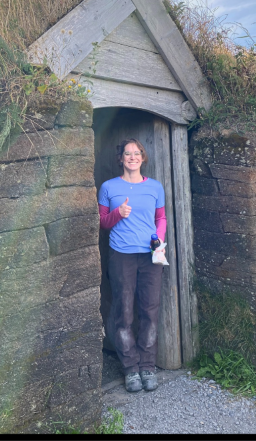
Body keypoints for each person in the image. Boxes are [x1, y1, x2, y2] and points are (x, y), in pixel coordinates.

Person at [98, 139, 167, 392]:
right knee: (123, 313)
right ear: (121, 158)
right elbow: (103, 222)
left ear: (143, 157)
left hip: (150, 256)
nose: (132, 157)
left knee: (149, 311)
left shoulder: (155, 187)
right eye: (127, 153)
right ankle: (130, 368)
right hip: (121, 255)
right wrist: (119, 213)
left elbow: (161, 217)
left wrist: (159, 238)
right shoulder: (108, 187)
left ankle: (148, 365)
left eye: (136, 153)